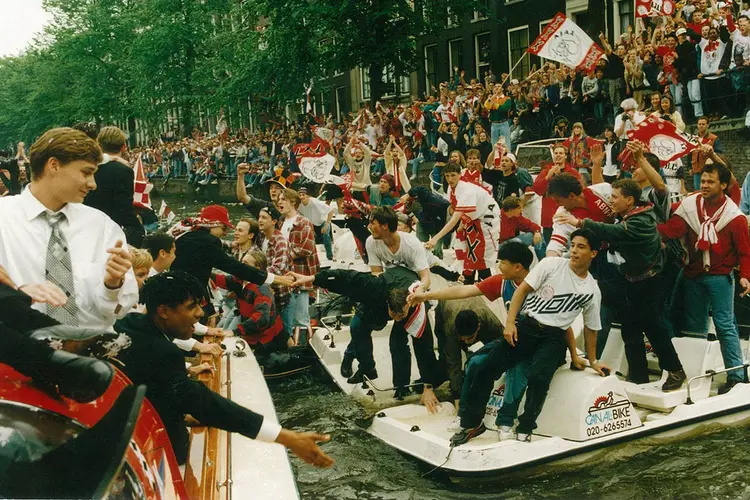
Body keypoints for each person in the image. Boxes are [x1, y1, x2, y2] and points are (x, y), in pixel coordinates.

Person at [113, 271, 334, 467]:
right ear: (163, 311)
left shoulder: (128, 324)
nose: (201, 314)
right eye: (192, 307)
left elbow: (156, 384)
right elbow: (202, 402)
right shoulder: (164, 352)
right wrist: (286, 437)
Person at [449, 229, 607, 445]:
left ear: (593, 254)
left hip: (554, 337)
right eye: (573, 245)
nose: (574, 251)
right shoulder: (551, 265)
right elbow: (521, 291)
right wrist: (510, 323)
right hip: (527, 326)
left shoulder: (591, 290)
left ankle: (525, 428)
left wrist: (593, 360)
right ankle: (472, 422)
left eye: (581, 247)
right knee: (486, 368)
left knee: (539, 379)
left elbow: (591, 328)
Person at [409, 242, 583, 438]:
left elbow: (564, 323)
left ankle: (506, 422)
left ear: (517, 266)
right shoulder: (503, 282)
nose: (498, 265)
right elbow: (462, 291)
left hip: (540, 343)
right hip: (514, 340)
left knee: (516, 370)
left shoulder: (544, 284)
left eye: (502, 262)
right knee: (475, 362)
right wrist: (424, 296)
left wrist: (574, 355)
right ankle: (467, 417)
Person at [0, 127, 138, 331]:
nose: (93, 185)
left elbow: (118, 312)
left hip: (91, 353)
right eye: (86, 172)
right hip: (21, 355)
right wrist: (16, 293)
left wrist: (112, 285)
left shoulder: (103, 227)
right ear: (54, 165)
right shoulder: (4, 217)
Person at [555, 179, 687, 390]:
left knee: (653, 326)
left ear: (629, 200)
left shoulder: (640, 221)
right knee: (630, 329)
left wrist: (579, 223)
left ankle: (675, 370)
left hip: (652, 280)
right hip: (632, 280)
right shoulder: (627, 215)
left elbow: (615, 233)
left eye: (615, 197)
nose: (611, 200)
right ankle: (638, 376)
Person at [289, 266, 444, 406]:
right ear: (388, 306)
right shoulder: (373, 287)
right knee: (357, 327)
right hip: (381, 296)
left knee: (397, 343)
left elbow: (425, 348)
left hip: (409, 294)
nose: (396, 319)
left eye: (400, 315)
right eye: (393, 315)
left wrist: (428, 386)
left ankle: (401, 387)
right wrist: (313, 278)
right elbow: (346, 277)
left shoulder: (417, 305)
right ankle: (367, 367)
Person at [658, 161, 750, 394]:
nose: (704, 185)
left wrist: (745, 276)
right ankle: (694, 373)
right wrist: (640, 228)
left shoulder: (734, 217)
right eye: (703, 181)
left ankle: (737, 377)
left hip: (720, 277)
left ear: (724, 185)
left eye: (710, 182)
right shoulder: (689, 207)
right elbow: (672, 230)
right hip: (693, 275)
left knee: (725, 325)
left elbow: (745, 251)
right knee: (694, 326)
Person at [169, 204, 293, 318]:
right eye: (224, 228)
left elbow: (220, 246)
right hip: (187, 297)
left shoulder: (188, 234)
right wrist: (276, 279)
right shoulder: (207, 242)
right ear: (214, 224)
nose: (225, 233)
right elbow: (236, 268)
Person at [426, 162, 500, 284]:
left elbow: (454, 219)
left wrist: (435, 238)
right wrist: (462, 223)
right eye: (447, 176)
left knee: (480, 254)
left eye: (453, 175)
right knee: (468, 250)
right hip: (474, 217)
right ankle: (469, 279)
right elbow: (457, 211)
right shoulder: (452, 187)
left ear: (460, 174)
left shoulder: (467, 191)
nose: (450, 179)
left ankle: (487, 283)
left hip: (487, 217)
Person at [213, 250, 288, 351]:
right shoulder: (239, 281)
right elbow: (218, 279)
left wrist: (236, 331)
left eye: (245, 264)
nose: (241, 266)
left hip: (268, 340)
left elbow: (262, 318)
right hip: (254, 337)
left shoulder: (262, 290)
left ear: (256, 269)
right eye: (241, 262)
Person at [83, 126, 144, 246]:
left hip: (88, 226)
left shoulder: (86, 165)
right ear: (124, 147)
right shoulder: (123, 171)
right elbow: (123, 209)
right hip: (111, 228)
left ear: (98, 145)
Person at [278, 189, 319, 344]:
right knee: (288, 313)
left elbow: (307, 248)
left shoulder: (303, 222)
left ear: (293, 202)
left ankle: (304, 346)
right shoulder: (281, 223)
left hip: (300, 275)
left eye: (283, 199)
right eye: (279, 200)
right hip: (286, 275)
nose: (279, 202)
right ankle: (291, 344)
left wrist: (284, 256)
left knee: (301, 316)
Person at [531, 144, 584, 243]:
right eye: (556, 153)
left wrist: (560, 176)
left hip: (568, 218)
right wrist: (548, 176)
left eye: (561, 153)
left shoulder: (573, 172)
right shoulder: (545, 172)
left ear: (565, 156)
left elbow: (579, 192)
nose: (558, 155)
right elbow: (537, 190)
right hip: (549, 221)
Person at [298, 187, 335, 261]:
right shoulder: (299, 205)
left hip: (323, 221)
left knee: (326, 235)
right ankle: (311, 257)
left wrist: (326, 225)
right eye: (300, 195)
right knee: (307, 237)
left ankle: (330, 256)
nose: (301, 197)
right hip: (311, 223)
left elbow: (331, 211)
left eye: (303, 195)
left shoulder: (314, 202)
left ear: (308, 196)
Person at [689, 116, 723, 191]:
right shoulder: (694, 139)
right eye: (699, 124)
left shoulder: (713, 138)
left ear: (707, 125)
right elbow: (690, 154)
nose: (701, 126)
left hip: (709, 170)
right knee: (698, 191)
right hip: (697, 170)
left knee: (708, 190)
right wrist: (690, 167)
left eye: (703, 124)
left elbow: (719, 154)